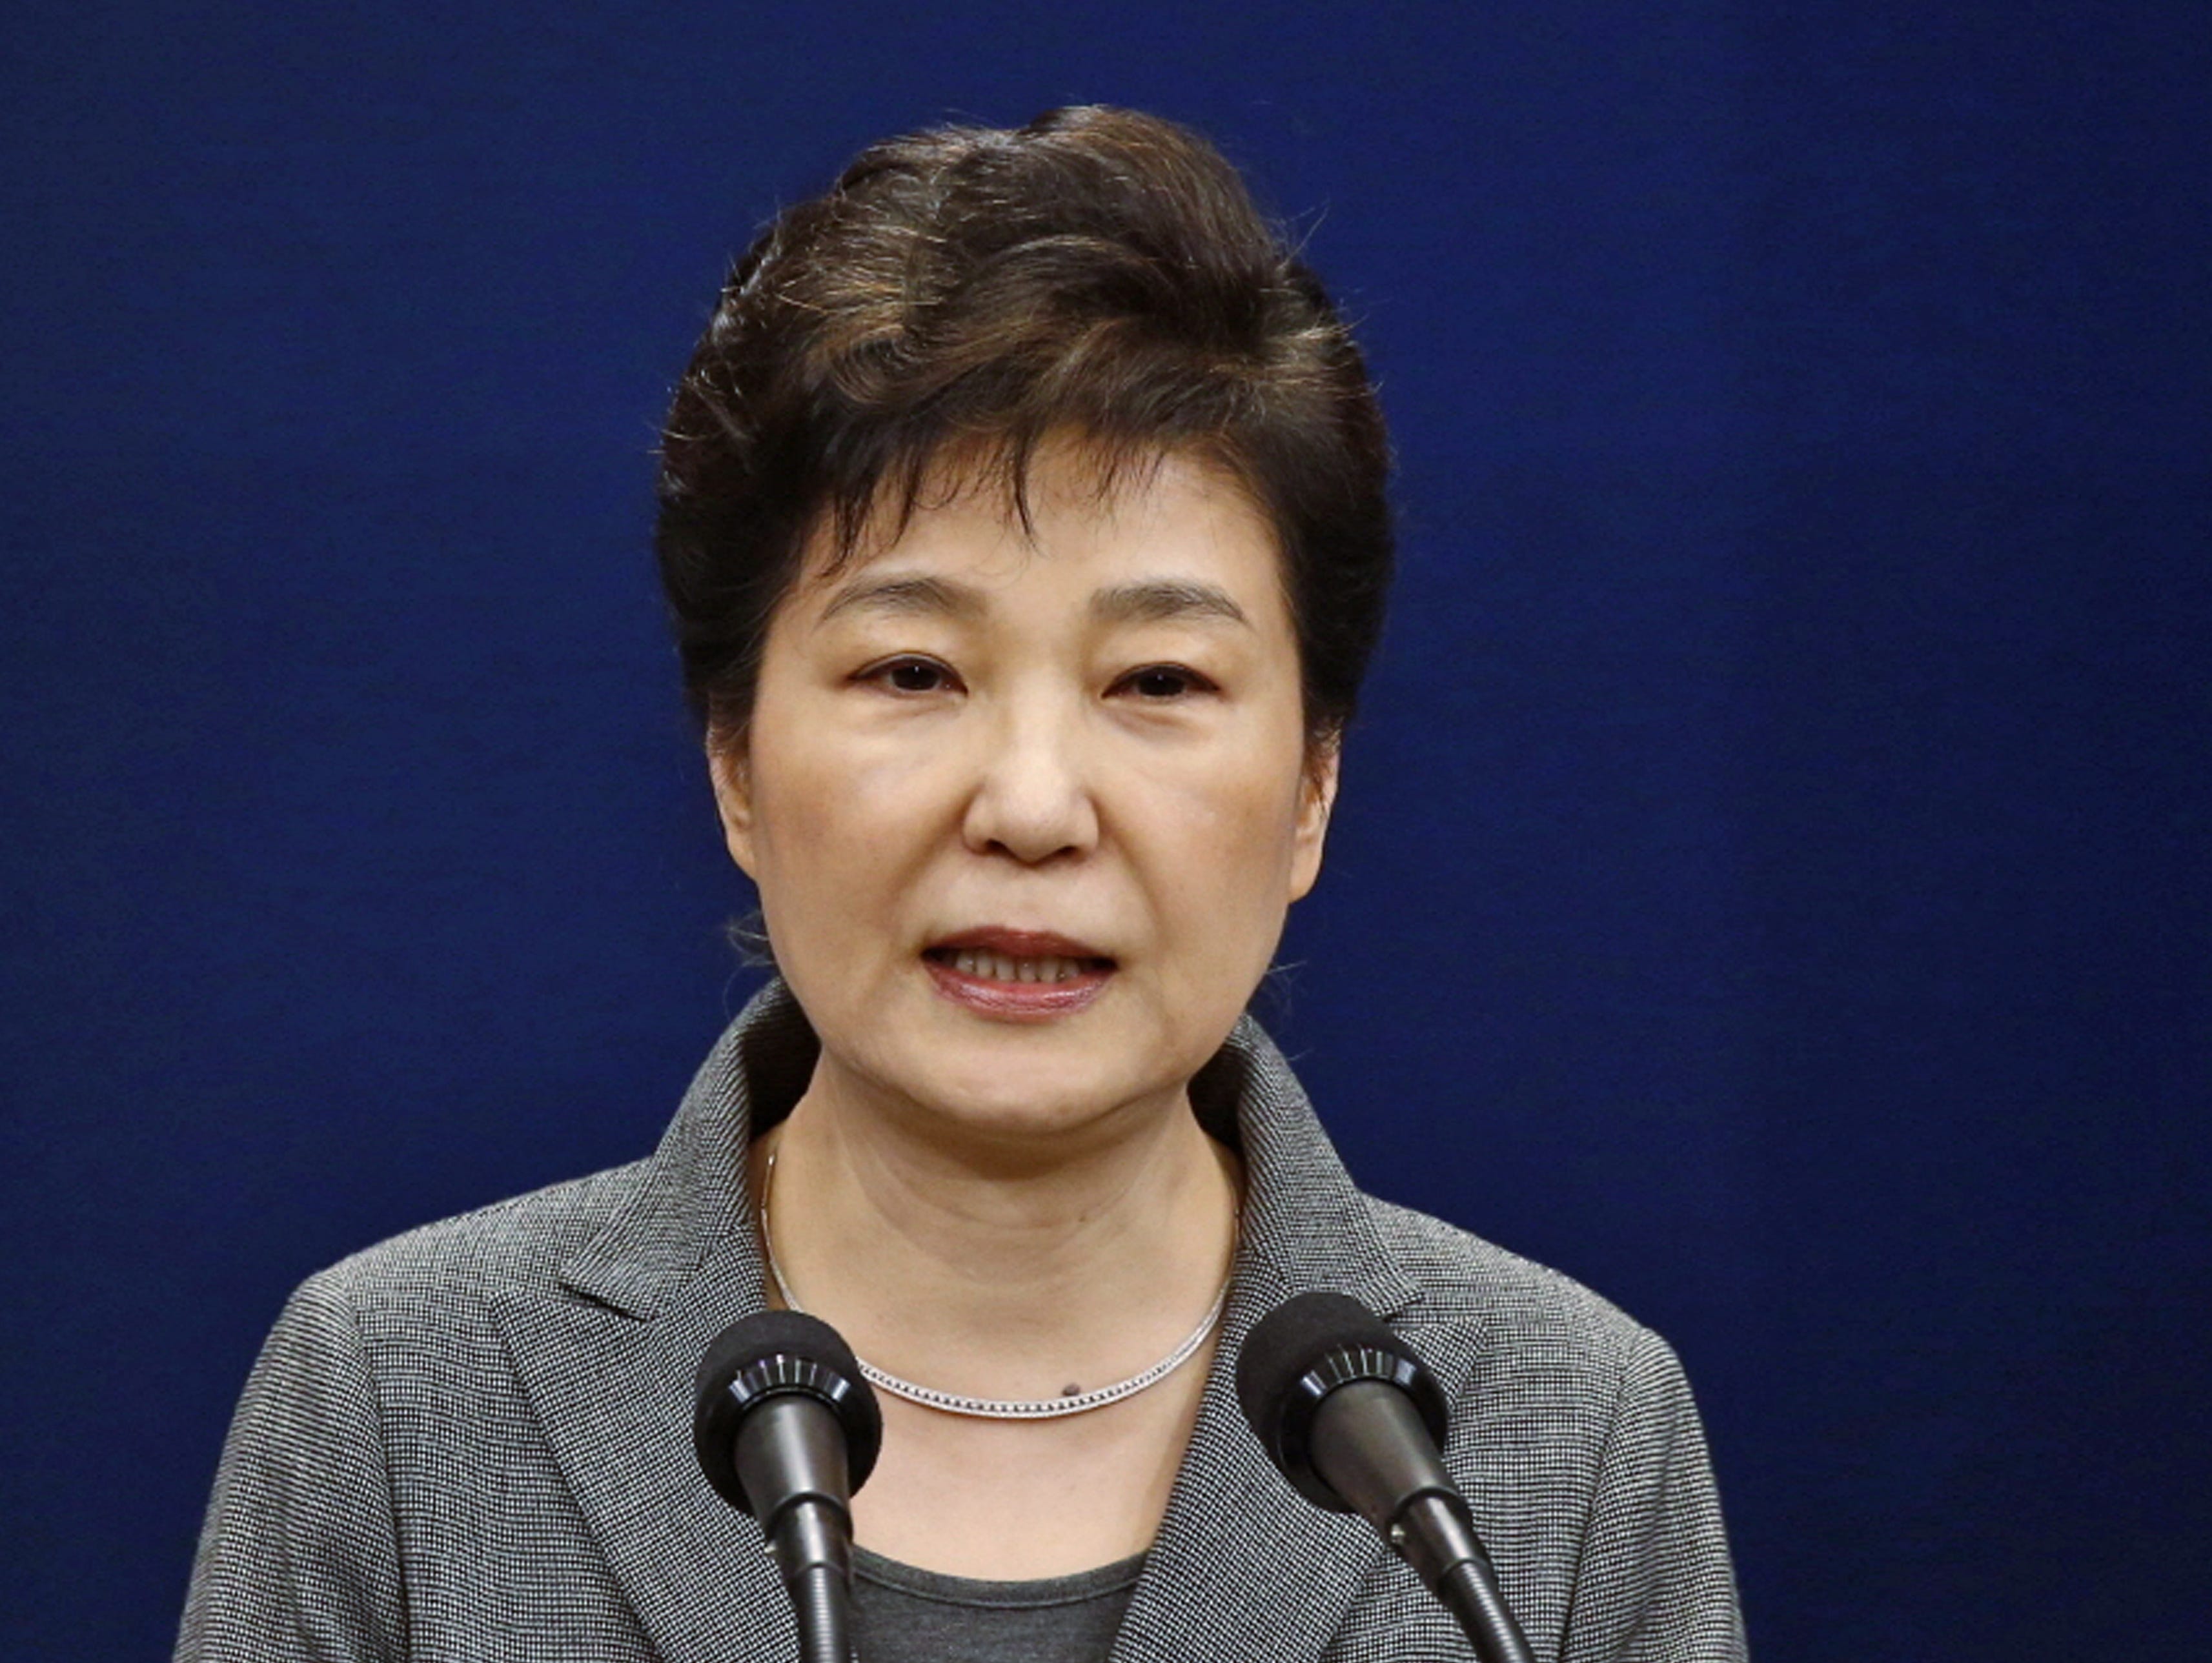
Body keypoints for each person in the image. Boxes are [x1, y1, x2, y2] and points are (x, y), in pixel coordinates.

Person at [177, 106, 1747, 1662]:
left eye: (1158, 680)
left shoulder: (1567, 1431)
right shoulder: (398, 1400)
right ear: (733, 755)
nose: (1033, 805)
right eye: (915, 667)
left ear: (1314, 784)